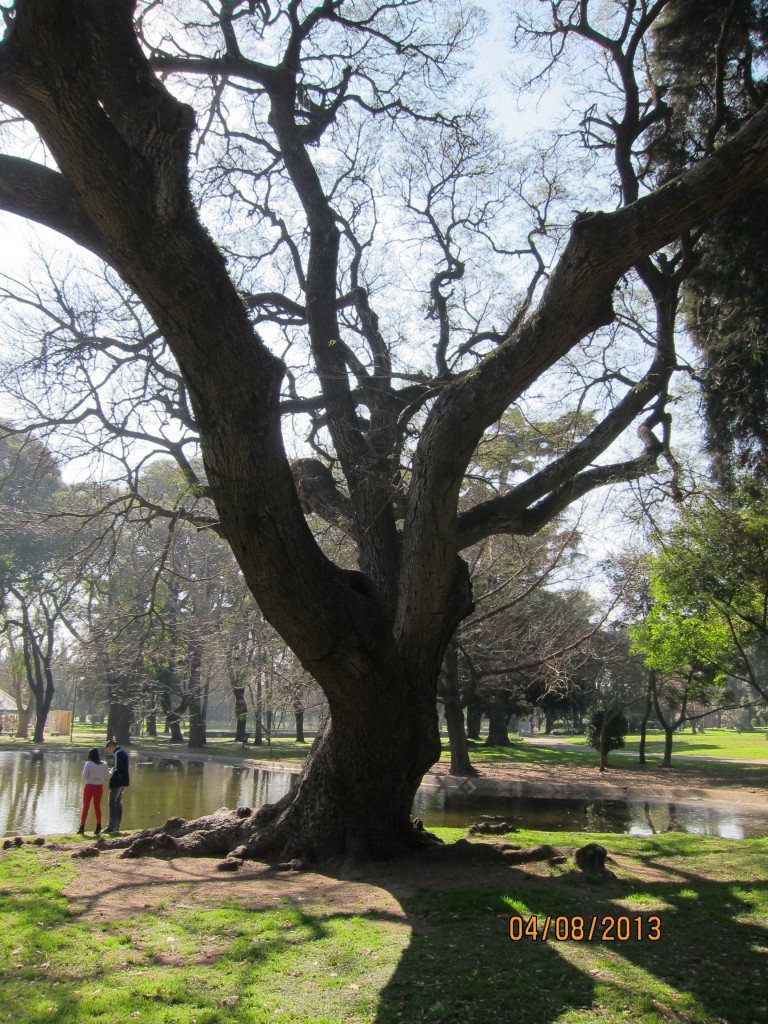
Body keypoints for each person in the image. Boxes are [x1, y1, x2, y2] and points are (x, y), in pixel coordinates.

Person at [78, 747, 111, 835]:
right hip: (99, 787)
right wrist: (112, 771)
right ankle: (98, 826)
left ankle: (82, 826)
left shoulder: (88, 764)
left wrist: (91, 776)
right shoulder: (103, 764)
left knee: (86, 806)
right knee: (97, 806)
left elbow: (84, 776)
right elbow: (108, 776)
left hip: (89, 786)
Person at [105, 739, 130, 834]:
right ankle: (117, 826)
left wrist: (110, 771)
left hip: (118, 782)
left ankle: (112, 827)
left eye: (108, 749)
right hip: (123, 781)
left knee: (112, 803)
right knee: (118, 803)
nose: (109, 751)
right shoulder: (122, 752)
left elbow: (117, 768)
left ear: (112, 746)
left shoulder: (118, 753)